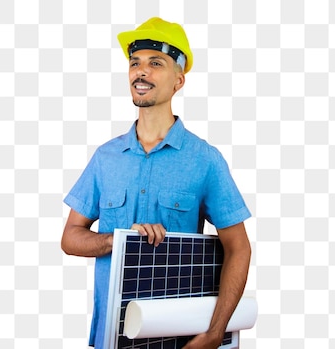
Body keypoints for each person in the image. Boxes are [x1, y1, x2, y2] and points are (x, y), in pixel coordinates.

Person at [62, 17, 252, 348]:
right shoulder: (107, 157)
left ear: (179, 80)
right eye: (135, 63)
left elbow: (238, 248)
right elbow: (70, 238)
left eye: (155, 63)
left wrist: (214, 332)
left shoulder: (204, 160)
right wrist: (119, 240)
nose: (141, 71)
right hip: (112, 334)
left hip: (177, 335)